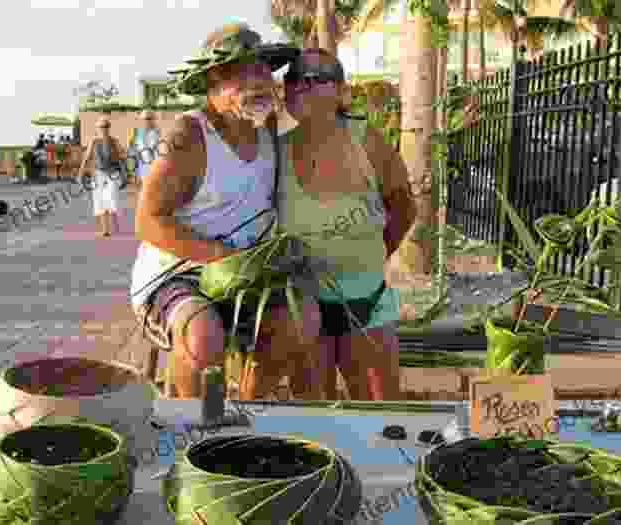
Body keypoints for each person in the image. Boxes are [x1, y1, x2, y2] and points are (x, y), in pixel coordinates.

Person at [129, 23, 325, 400]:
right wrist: (222, 257)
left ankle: (245, 409)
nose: (260, 81)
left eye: (263, 69)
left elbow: (323, 121)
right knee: (204, 337)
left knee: (302, 320)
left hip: (247, 270)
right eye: (243, 72)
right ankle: (191, 427)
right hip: (179, 273)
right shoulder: (189, 136)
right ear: (213, 82)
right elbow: (147, 221)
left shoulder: (269, 124)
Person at [280, 49, 417, 400]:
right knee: (312, 419)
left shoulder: (367, 141)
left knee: (378, 416)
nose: (299, 89)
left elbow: (403, 208)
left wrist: (373, 256)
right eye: (292, 81)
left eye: (312, 80)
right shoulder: (276, 152)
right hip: (303, 308)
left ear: (340, 90)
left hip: (366, 302)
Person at [77, 116, 125, 237]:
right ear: (98, 128)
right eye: (102, 127)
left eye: (106, 126)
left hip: (113, 174)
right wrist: (80, 173)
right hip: (99, 175)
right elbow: (87, 158)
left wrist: (125, 174)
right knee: (100, 201)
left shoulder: (114, 141)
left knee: (112, 198)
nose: (104, 129)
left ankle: (114, 224)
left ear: (109, 128)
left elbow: (122, 158)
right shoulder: (94, 141)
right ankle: (106, 229)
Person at [129, 110, 160, 185]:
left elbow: (159, 149)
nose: (147, 121)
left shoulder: (157, 132)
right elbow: (132, 150)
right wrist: (133, 170)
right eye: (146, 119)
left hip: (154, 165)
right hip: (142, 165)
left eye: (150, 118)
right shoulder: (136, 132)